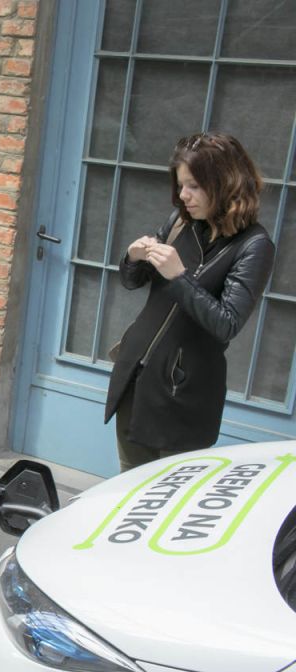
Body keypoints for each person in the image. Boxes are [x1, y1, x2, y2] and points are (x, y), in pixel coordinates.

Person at [105, 133, 275, 471]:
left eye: (194, 186)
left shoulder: (254, 246)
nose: (183, 195)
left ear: (225, 183)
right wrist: (133, 257)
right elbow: (132, 281)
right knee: (127, 484)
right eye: (181, 185)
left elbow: (227, 323)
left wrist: (179, 277)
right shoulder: (180, 221)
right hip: (136, 378)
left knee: (169, 492)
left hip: (181, 395)